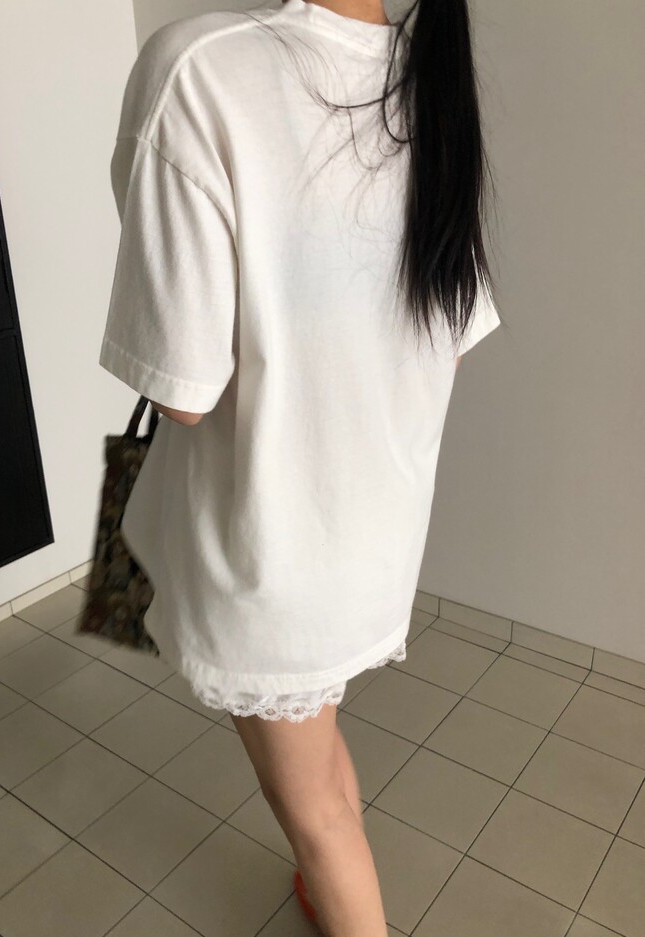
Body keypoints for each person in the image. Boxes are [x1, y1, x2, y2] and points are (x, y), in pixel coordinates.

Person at [98, 0, 503, 932]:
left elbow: (182, 389)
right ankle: (325, 892)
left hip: (273, 549)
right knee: (319, 757)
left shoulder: (200, 68)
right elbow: (448, 338)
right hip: (376, 532)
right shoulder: (429, 81)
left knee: (314, 812)